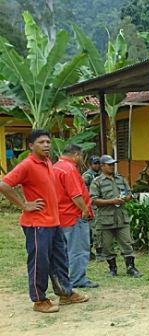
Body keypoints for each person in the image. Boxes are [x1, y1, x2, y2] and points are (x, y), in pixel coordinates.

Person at [0, 129, 89, 313]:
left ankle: (65, 293)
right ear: (31, 146)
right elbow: (4, 185)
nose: (47, 145)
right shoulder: (27, 165)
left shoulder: (48, 163)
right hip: (37, 224)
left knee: (60, 259)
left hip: (54, 222)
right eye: (41, 142)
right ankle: (39, 300)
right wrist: (24, 205)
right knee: (40, 262)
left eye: (48, 142)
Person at [53, 144, 98, 288]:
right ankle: (78, 279)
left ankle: (65, 277)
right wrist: (85, 210)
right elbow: (76, 194)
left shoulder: (55, 167)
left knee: (65, 249)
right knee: (78, 249)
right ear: (77, 155)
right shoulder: (69, 169)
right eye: (81, 156)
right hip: (73, 215)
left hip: (61, 215)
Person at [90, 155, 142, 277]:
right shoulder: (97, 182)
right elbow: (93, 200)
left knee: (127, 243)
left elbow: (129, 194)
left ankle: (131, 268)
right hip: (105, 219)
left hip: (121, 217)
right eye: (109, 164)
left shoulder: (121, 179)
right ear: (102, 166)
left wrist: (126, 198)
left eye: (113, 164)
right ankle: (112, 268)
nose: (112, 166)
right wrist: (112, 201)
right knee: (107, 246)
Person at [82, 155, 102, 260]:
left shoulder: (100, 175)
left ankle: (99, 250)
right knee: (92, 230)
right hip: (90, 206)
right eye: (95, 163)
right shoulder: (87, 176)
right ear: (90, 164)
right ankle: (90, 252)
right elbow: (82, 190)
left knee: (99, 229)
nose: (98, 165)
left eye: (99, 163)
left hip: (99, 205)